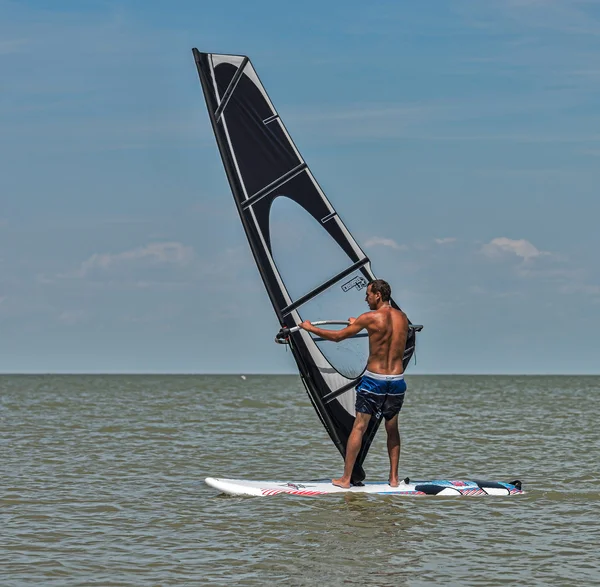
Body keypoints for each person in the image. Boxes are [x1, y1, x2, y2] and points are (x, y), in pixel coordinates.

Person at [299, 279, 409, 488]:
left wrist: (310, 328)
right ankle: (394, 479)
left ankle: (345, 479)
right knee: (392, 429)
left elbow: (338, 337)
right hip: (396, 381)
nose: (365, 298)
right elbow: (386, 332)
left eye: (368, 294)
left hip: (374, 381)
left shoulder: (369, 318)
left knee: (359, 427)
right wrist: (359, 323)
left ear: (378, 294)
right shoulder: (402, 318)